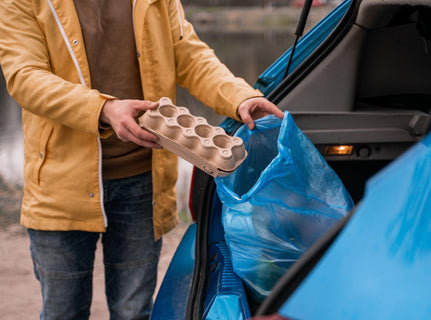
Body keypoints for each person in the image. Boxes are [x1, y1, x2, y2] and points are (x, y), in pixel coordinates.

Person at [0, 0, 284, 319]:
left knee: (133, 312)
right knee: (62, 312)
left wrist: (239, 96)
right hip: (60, 185)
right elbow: (25, 77)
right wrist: (104, 110)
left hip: (142, 182)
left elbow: (189, 54)